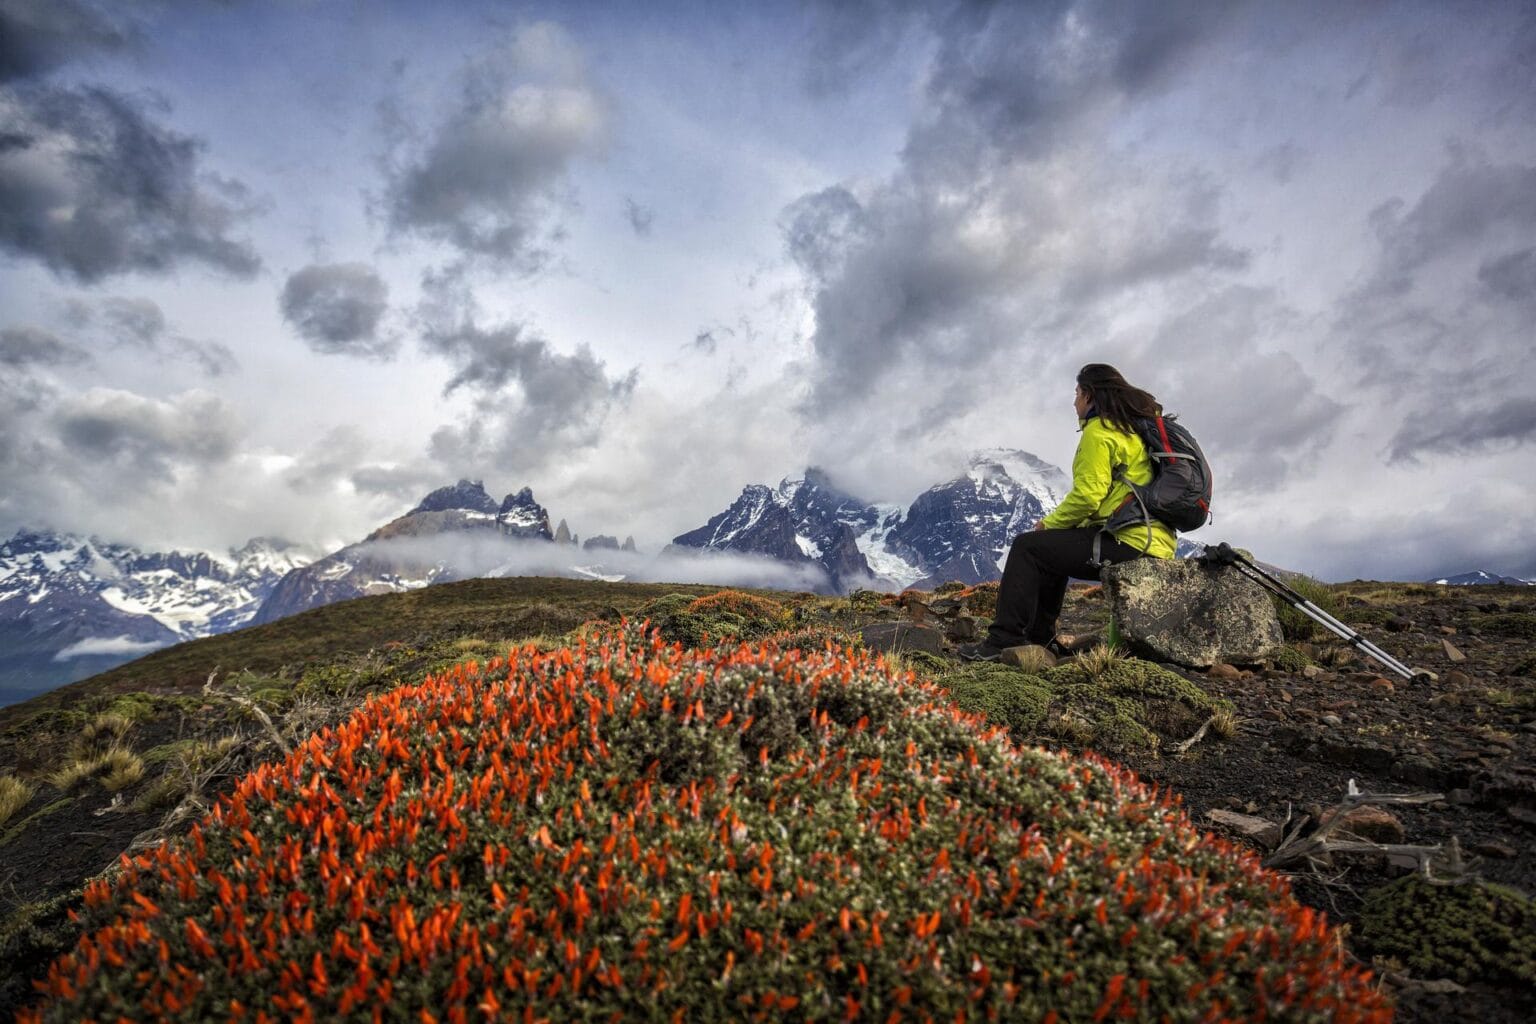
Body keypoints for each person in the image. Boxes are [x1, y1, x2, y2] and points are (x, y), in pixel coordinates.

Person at [957, 363, 1176, 662]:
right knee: (1053, 550)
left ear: (1089, 396)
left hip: (1131, 543)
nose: (1074, 401)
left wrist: (1048, 524)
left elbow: (1089, 496)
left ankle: (1001, 641)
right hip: (1153, 543)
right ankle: (1040, 642)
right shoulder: (1130, 432)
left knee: (1027, 547)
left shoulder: (1100, 433)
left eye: (1077, 393)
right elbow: (1109, 499)